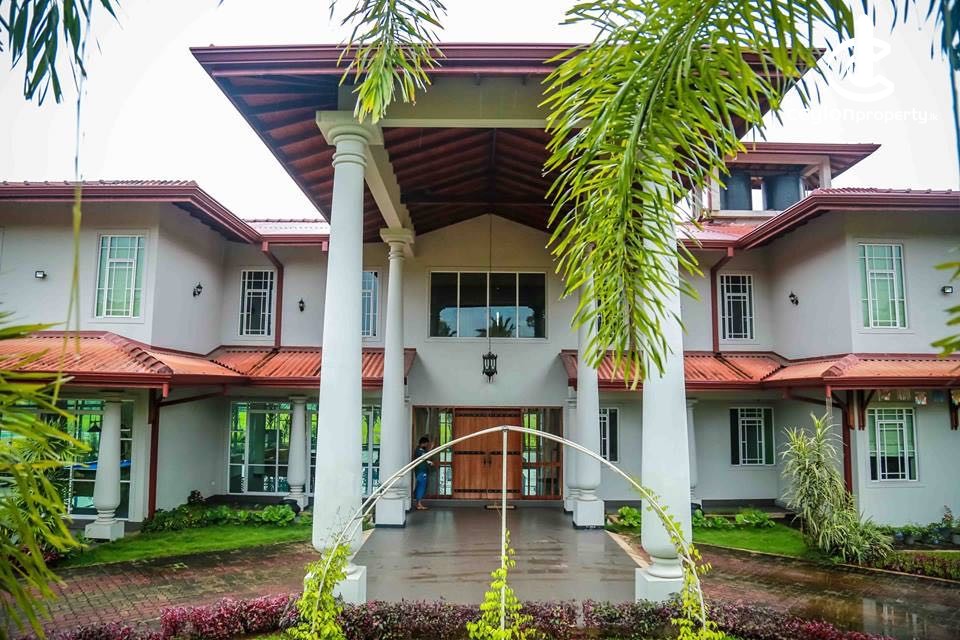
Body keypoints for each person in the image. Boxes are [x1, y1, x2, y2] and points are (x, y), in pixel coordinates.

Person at [413, 436, 434, 510]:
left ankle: (419, 503)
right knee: (421, 487)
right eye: (426, 444)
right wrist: (431, 448)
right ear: (423, 443)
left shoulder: (419, 450)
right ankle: (419, 504)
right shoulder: (419, 450)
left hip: (421, 471)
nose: (427, 445)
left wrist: (429, 462)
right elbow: (426, 456)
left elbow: (424, 459)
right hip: (421, 472)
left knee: (420, 486)